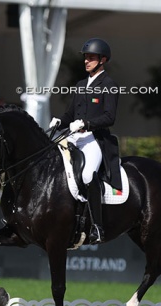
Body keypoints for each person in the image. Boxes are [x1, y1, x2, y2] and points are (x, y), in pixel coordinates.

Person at [49, 38, 120, 244]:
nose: (86, 61)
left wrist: (85, 124)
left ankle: (97, 227)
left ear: (102, 60)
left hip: (94, 140)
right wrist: (59, 121)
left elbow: (109, 117)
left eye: (91, 58)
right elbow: (70, 114)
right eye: (86, 58)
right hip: (74, 137)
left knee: (88, 176)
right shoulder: (80, 85)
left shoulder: (109, 85)